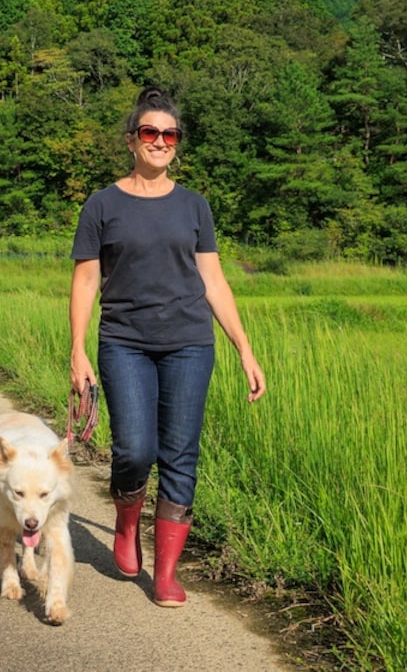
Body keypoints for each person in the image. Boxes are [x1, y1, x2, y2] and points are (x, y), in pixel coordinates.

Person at [68, 86, 266, 608]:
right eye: (150, 132)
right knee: (134, 449)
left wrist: (244, 348)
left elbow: (215, 282)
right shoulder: (102, 205)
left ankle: (166, 575)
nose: (160, 141)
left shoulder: (194, 206)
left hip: (190, 345)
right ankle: (127, 520)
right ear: (132, 140)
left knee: (181, 455)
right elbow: (86, 281)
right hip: (124, 342)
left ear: (177, 143)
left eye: (169, 134)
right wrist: (77, 350)